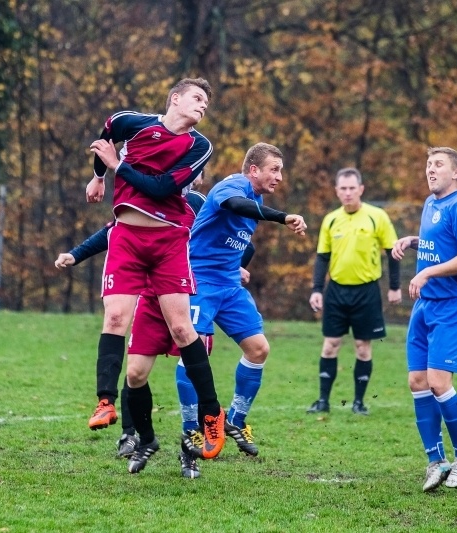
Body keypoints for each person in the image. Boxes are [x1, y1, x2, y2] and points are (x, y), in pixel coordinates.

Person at [85, 77, 225, 464]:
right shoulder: (132, 122)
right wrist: (99, 174)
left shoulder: (198, 145)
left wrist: (116, 167)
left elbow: (163, 188)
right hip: (127, 238)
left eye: (206, 103)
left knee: (182, 329)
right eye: (196, 99)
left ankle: (212, 413)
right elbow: (105, 135)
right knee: (114, 317)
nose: (202, 107)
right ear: (175, 99)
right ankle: (104, 403)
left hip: (168, 242)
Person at [183, 142, 306, 458]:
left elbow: (239, 240)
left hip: (229, 286)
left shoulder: (258, 198)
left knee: (259, 349)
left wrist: (240, 266)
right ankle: (191, 430)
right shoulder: (233, 186)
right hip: (201, 282)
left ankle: (235, 421)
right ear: (254, 170)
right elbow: (236, 206)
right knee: (194, 350)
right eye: (273, 169)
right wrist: (282, 217)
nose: (279, 176)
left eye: (280, 170)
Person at [391, 146, 457, 492]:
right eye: (428, 165)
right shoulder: (432, 204)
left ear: (456, 172)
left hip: (454, 306)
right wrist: (413, 241)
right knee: (417, 382)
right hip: (425, 307)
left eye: (438, 165)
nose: (430, 170)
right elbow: (440, 244)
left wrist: (427, 272)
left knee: (439, 383)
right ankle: (435, 461)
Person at [306, 168, 402, 415]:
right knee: (330, 345)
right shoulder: (331, 219)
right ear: (337, 191)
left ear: (361, 189)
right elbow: (322, 257)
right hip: (336, 291)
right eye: (343, 189)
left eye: (352, 188)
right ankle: (323, 401)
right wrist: (317, 289)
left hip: (367, 292)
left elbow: (393, 252)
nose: (348, 193)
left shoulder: (377, 216)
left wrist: (394, 287)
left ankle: (359, 403)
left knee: (362, 347)